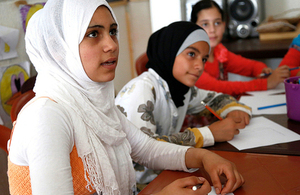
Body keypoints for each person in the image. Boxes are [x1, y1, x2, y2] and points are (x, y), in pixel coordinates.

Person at [7, 0, 244, 195]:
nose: (111, 44)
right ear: (61, 48)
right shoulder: (47, 116)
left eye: (112, 31)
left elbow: (147, 149)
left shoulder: (96, 104)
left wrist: (204, 157)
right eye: (93, 34)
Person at [115, 21, 251, 187]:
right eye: (191, 54)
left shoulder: (181, 89)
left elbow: (214, 99)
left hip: (166, 175)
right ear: (170, 51)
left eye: (204, 59)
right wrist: (208, 134)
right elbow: (144, 151)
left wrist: (234, 109)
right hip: (137, 186)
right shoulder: (141, 90)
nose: (199, 66)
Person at [190, 0, 290, 96]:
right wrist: (266, 83)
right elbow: (217, 88)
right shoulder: (191, 58)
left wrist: (263, 70)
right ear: (193, 28)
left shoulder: (219, 52)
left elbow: (251, 66)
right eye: (205, 24)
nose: (212, 30)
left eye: (217, 23)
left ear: (224, 25)